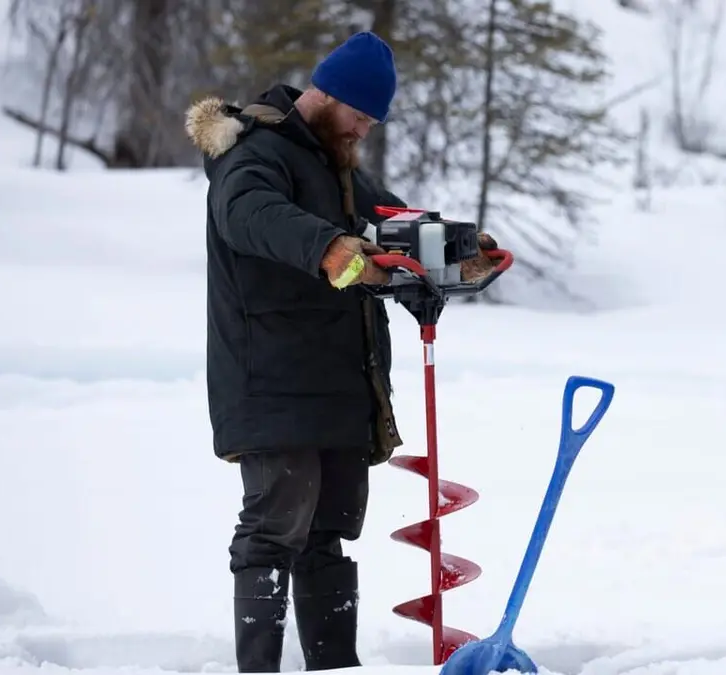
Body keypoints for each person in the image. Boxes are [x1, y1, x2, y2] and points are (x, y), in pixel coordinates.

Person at [183, 32, 497, 672]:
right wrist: (330, 248)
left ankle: (336, 669)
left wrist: (456, 254)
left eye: (372, 121)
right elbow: (250, 214)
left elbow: (396, 226)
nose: (363, 129)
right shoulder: (256, 157)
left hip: (342, 385)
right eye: (358, 115)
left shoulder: (341, 167)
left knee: (328, 536)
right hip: (273, 381)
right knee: (274, 532)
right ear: (326, 96)